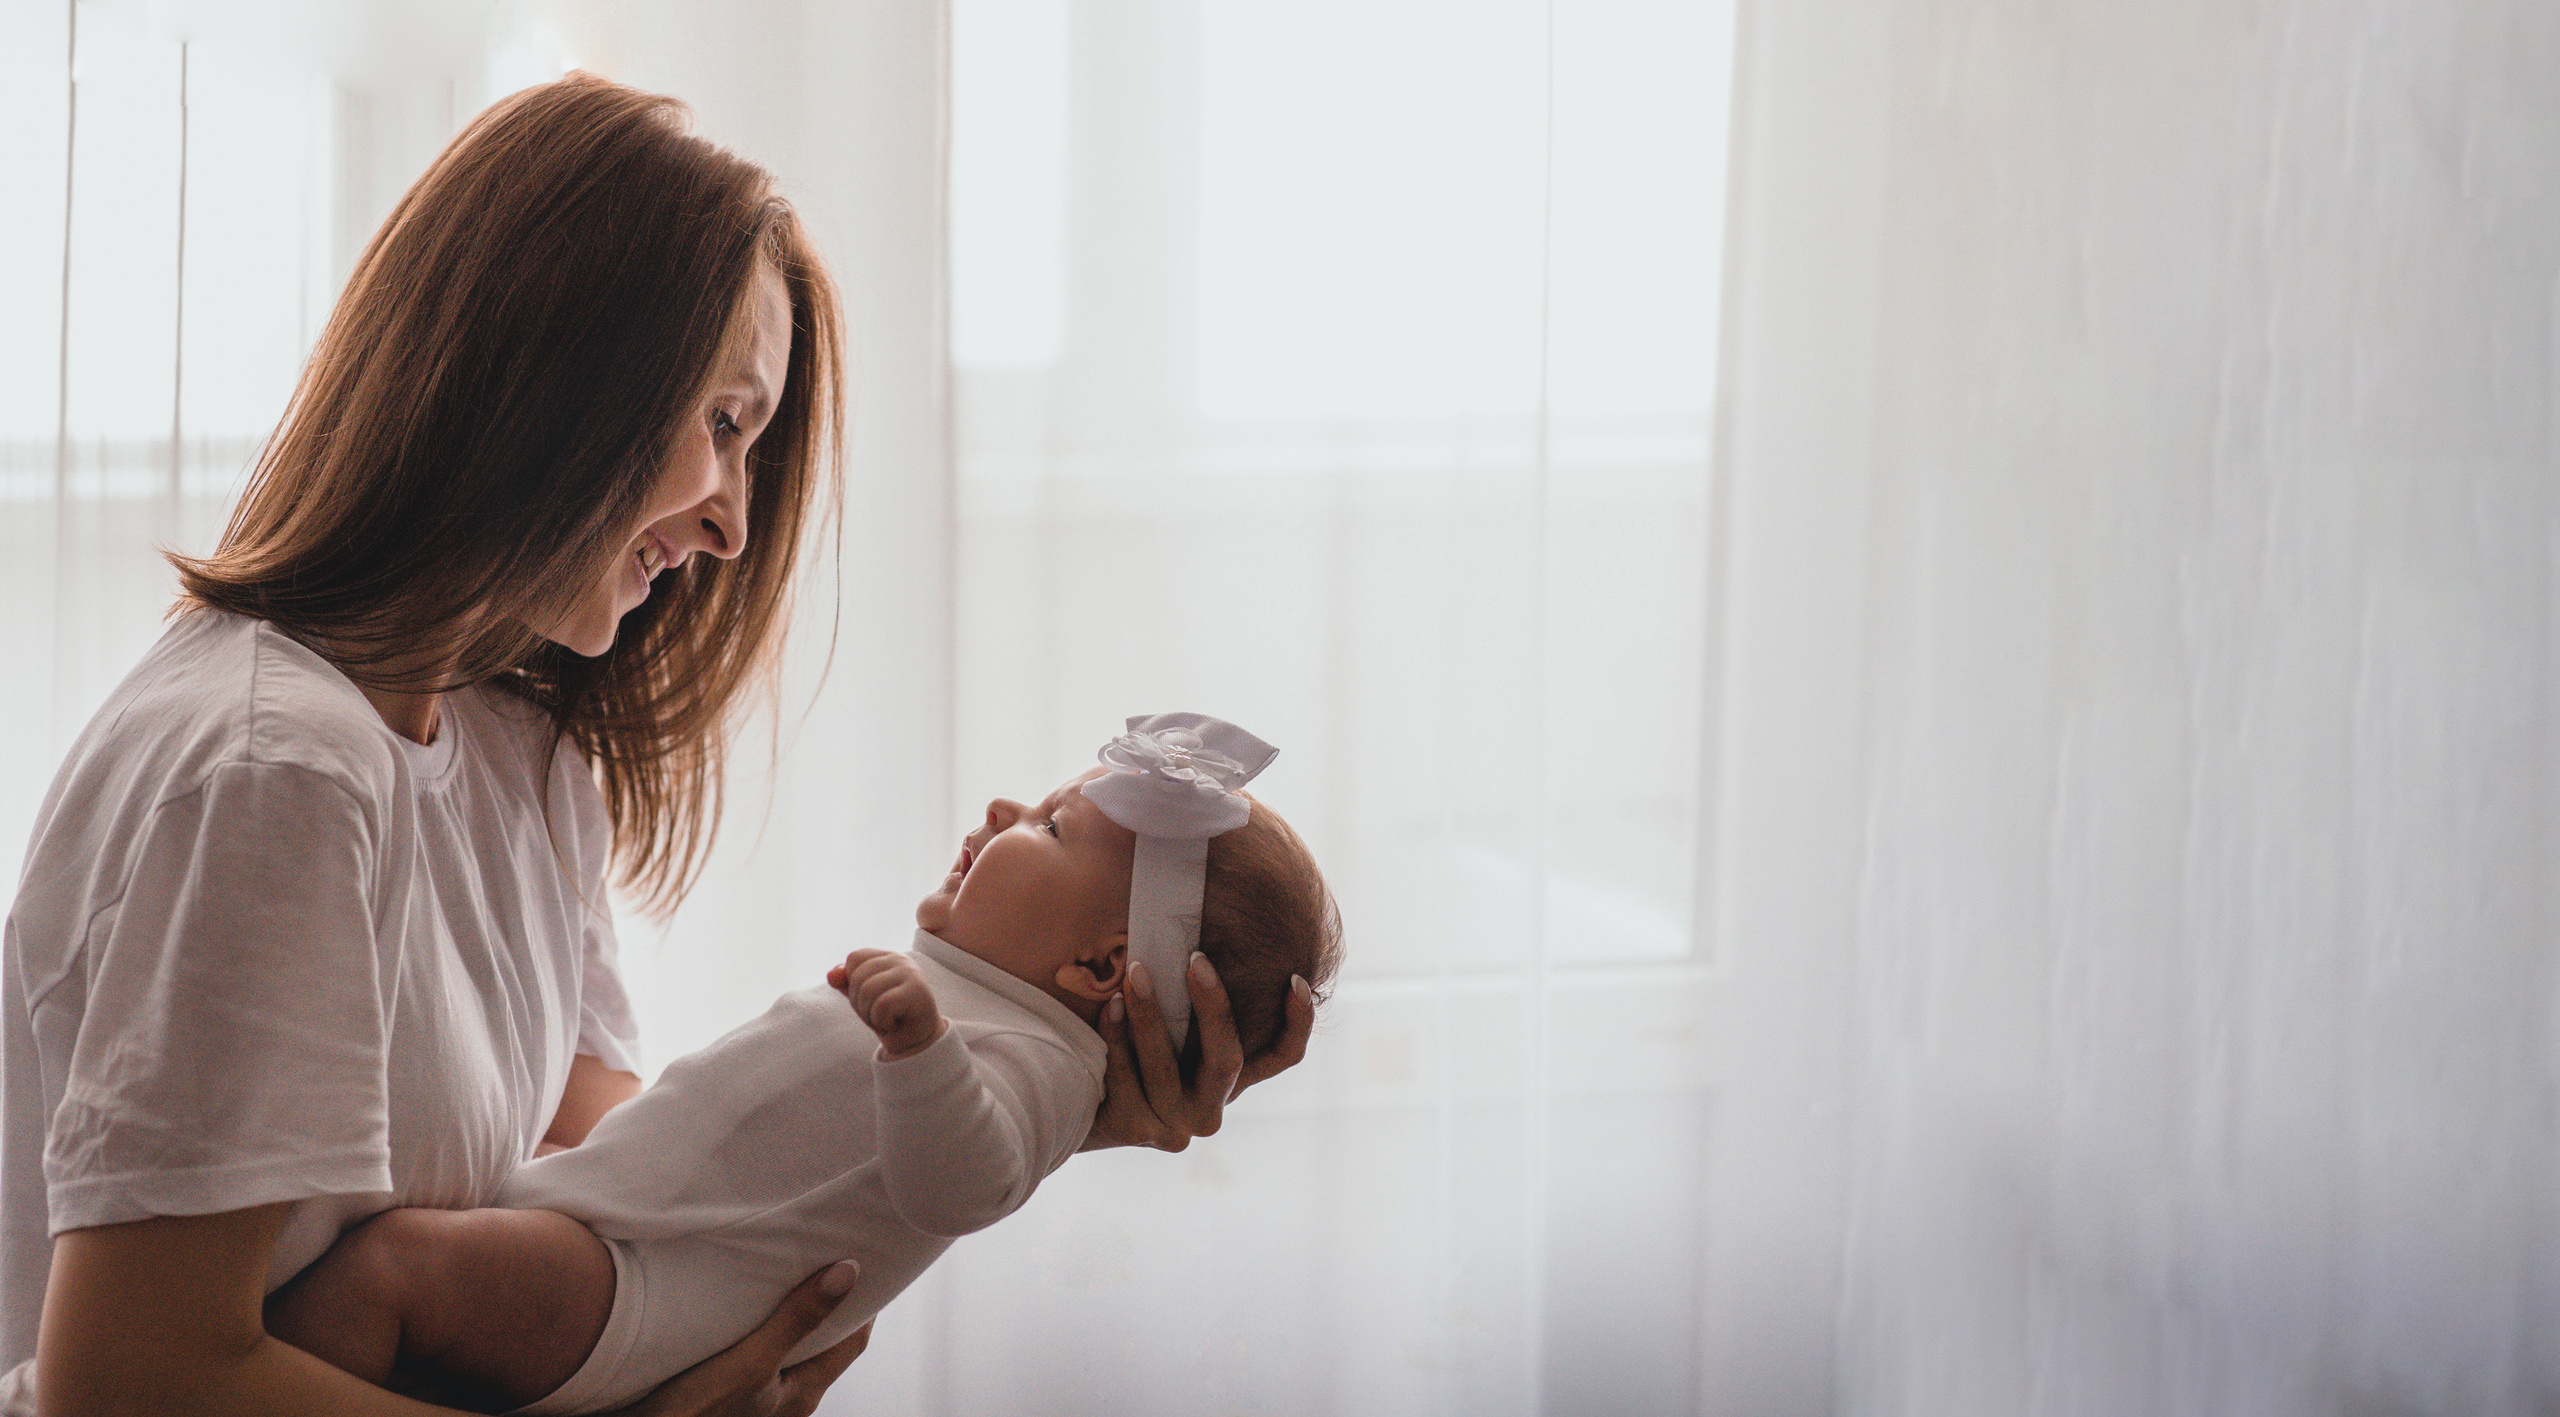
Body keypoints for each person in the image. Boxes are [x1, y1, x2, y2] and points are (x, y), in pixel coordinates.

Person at [0, 77, 1311, 1417]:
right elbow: (129, 1381)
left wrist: (1049, 1094)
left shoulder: (520, 751)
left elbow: (654, 1166)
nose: (735, 526)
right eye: (726, 427)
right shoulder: (276, 772)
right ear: (555, 379)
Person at [262, 715, 1343, 1414]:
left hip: (644, 1296)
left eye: (1052, 828)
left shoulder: (1034, 1066)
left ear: (1103, 964)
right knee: (422, 1274)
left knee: (398, 1270)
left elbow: (966, 1183)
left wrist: (922, 1047)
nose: (1006, 812)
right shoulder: (997, 1017)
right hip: (630, 1252)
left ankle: (229, 1366)